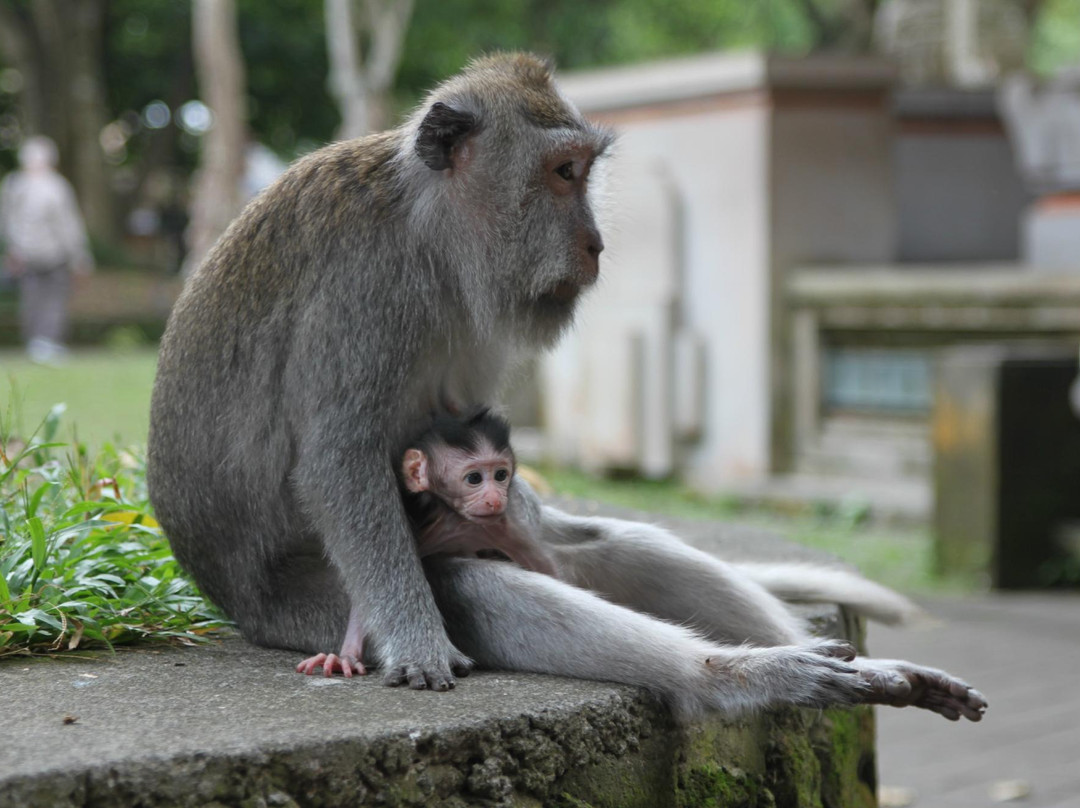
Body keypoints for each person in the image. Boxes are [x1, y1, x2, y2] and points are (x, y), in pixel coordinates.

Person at [0, 136, 94, 364]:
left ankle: (37, 342)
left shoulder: (14, 184)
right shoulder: (56, 186)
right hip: (53, 254)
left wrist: (13, 248)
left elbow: (6, 222)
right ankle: (45, 342)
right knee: (52, 298)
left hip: (26, 254)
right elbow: (68, 225)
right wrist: (79, 256)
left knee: (33, 297)